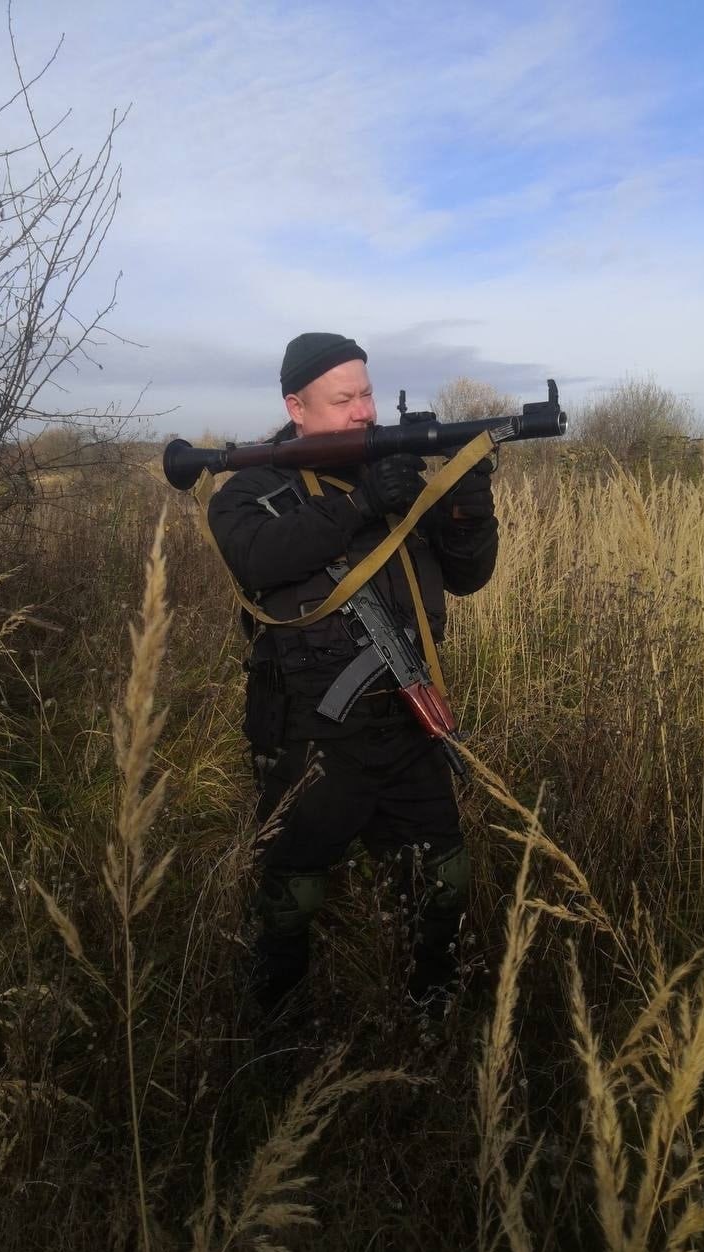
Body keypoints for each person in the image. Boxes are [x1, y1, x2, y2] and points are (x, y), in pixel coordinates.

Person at [207, 332, 498, 1019]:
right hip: (311, 733)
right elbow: (257, 559)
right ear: (296, 406)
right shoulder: (250, 490)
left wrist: (466, 508)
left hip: (408, 717)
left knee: (443, 877)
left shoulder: (392, 471)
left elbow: (467, 577)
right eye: (344, 399)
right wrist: (359, 506)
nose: (365, 411)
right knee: (294, 894)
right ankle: (274, 1027)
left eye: (367, 393)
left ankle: (432, 1009)